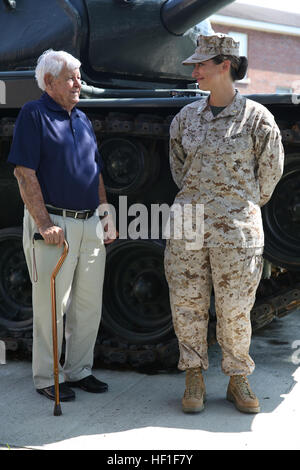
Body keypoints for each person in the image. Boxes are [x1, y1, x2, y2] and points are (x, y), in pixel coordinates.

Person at [164, 34, 284, 414]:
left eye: (201, 64)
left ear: (224, 66)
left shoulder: (257, 119)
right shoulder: (185, 118)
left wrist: (238, 205)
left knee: (235, 307)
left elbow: (270, 176)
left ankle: (236, 378)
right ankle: (194, 375)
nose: (194, 70)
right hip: (189, 224)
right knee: (187, 303)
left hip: (236, 227)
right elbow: (178, 169)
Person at [8, 49, 117, 402]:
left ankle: (79, 370)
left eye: (79, 77)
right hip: (55, 226)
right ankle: (47, 377)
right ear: (50, 81)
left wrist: (104, 214)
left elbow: (94, 171)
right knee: (52, 306)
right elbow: (24, 172)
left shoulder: (82, 119)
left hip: (89, 226)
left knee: (87, 305)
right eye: (71, 77)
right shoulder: (33, 113)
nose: (78, 83)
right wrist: (42, 223)